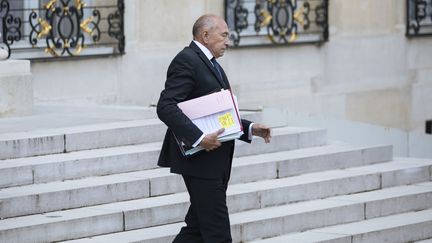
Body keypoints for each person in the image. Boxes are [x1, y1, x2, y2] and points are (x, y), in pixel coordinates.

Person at [156, 14, 271, 243]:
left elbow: (219, 113)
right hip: (200, 163)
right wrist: (200, 138)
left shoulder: (210, 63)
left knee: (196, 229)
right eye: (224, 35)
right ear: (205, 35)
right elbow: (165, 107)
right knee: (217, 233)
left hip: (215, 162)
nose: (228, 41)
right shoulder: (187, 60)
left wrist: (249, 128)